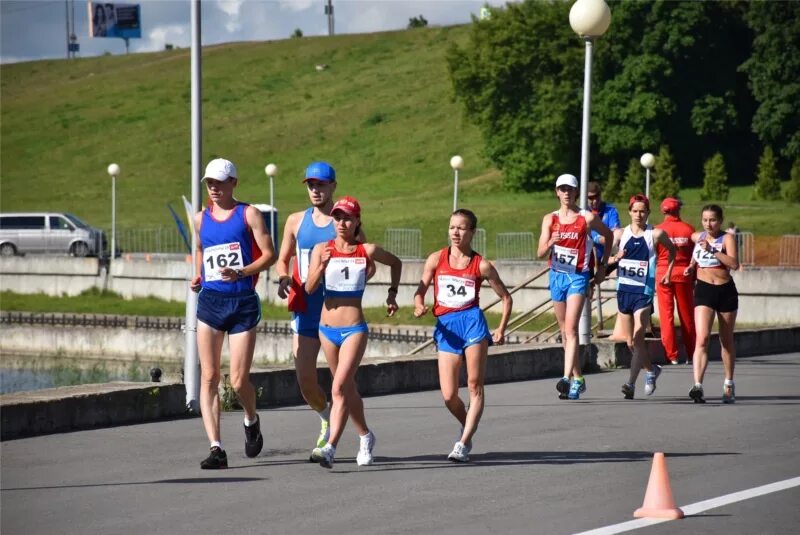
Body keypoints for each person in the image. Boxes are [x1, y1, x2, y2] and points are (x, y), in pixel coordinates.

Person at [275, 161, 370, 460]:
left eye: (322, 185)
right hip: (304, 308)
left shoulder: (344, 221)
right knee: (305, 380)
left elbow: (365, 260)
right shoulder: (294, 221)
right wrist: (283, 279)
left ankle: (356, 437)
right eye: (311, 185)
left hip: (336, 312)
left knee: (342, 384)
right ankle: (326, 416)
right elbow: (283, 259)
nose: (316, 190)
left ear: (333, 187)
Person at [190, 158, 276, 469]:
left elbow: (270, 255)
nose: (213, 188)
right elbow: (201, 249)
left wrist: (242, 271)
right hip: (211, 303)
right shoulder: (200, 219)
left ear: (233, 183)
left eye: (219, 182)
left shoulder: (248, 214)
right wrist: (199, 273)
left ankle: (251, 419)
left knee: (239, 382)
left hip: (242, 303)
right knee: (210, 376)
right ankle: (216, 448)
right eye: (209, 183)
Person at [305, 196, 402, 468]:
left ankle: (330, 447)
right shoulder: (321, 248)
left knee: (337, 388)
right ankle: (365, 436)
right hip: (326, 330)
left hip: (354, 330)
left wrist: (392, 294)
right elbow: (309, 288)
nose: (341, 223)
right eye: (337, 217)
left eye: (347, 218)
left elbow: (396, 263)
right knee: (347, 389)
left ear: (358, 220)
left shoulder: (366, 251)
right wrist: (322, 264)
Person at [413, 209, 513, 462]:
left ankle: (463, 442)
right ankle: (468, 421)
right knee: (448, 395)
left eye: (461, 228)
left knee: (473, 385)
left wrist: (501, 328)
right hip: (447, 327)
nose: (455, 233)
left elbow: (506, 298)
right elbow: (421, 288)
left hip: (472, 324)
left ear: (472, 232)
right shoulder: (436, 259)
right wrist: (418, 304)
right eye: (452, 227)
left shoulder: (482, 265)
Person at [536, 174, 613, 400]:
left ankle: (565, 378)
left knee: (571, 330)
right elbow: (540, 252)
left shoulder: (586, 218)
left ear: (576, 192)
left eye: (570, 189)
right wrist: (552, 241)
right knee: (564, 331)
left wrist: (603, 266)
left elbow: (608, 235)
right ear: (557, 192)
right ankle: (578, 378)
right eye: (562, 189)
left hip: (578, 276)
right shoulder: (549, 219)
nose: (567, 193)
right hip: (557, 275)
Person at [609, 195, 675, 400]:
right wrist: (614, 258)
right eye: (635, 211)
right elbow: (608, 259)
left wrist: (668, 271)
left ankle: (630, 383)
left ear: (648, 213)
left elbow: (673, 250)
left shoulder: (655, 234)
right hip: (624, 290)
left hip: (643, 292)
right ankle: (651, 370)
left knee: (638, 335)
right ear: (629, 212)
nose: (639, 215)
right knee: (631, 342)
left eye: (643, 211)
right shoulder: (620, 234)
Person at [685, 204, 739, 404]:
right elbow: (696, 256)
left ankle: (729, 383)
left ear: (721, 220)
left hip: (725, 291)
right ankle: (698, 385)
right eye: (705, 220)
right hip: (704, 290)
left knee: (726, 341)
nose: (709, 224)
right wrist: (691, 267)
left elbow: (734, 264)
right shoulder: (698, 237)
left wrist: (714, 251)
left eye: (713, 220)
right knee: (702, 338)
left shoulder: (727, 238)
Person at [655, 197, 696, 365]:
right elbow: (695, 254)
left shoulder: (657, 230)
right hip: (683, 273)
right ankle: (692, 353)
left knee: (666, 315)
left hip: (663, 272)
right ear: (678, 209)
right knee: (687, 315)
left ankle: (671, 355)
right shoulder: (688, 229)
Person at [587, 181, 622, 266]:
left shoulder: (611, 209)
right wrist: (599, 238)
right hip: (589, 258)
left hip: (610, 255)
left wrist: (598, 237)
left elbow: (615, 234)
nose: (595, 201)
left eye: (597, 196)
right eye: (591, 198)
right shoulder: (582, 211)